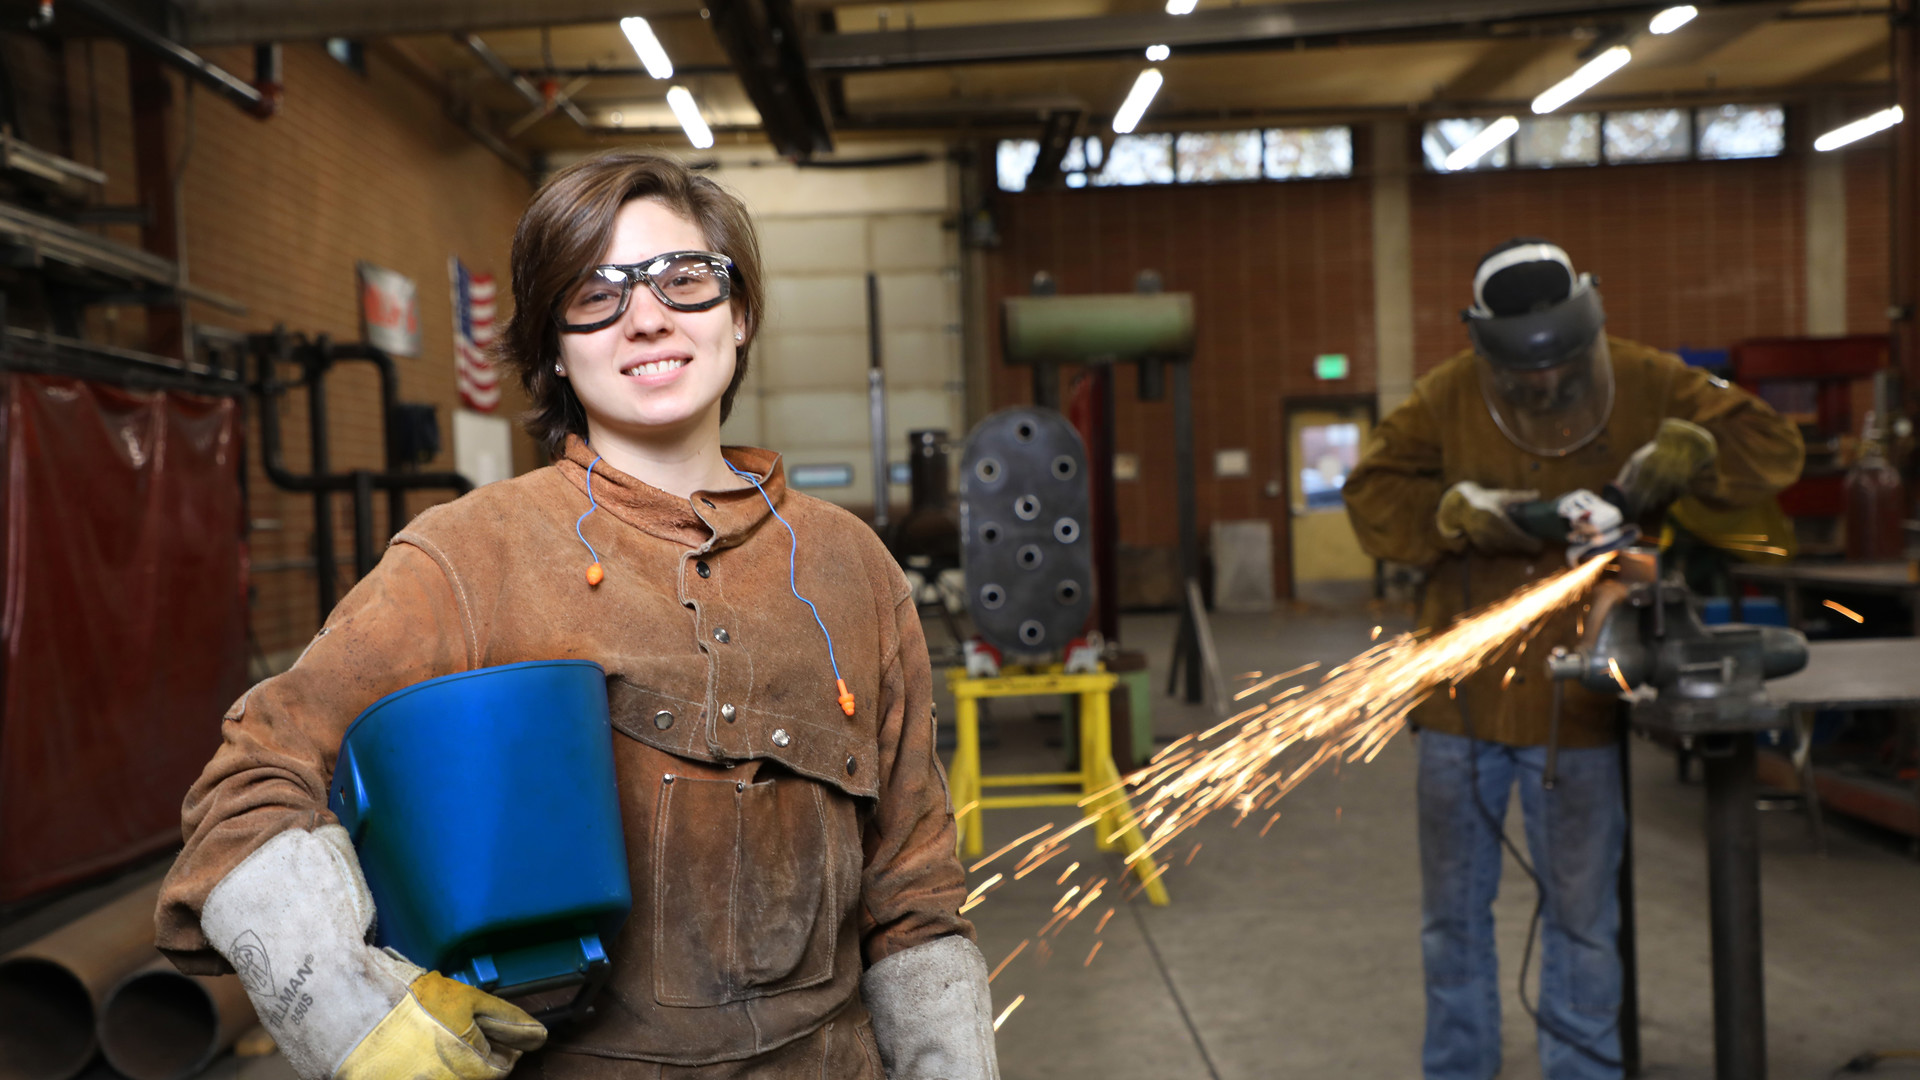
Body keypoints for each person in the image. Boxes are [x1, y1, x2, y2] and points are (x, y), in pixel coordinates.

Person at [154, 149, 1001, 1080]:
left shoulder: (851, 567)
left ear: (740, 312)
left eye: (685, 279)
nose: (647, 316)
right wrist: (354, 1020)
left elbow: (915, 892)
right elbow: (246, 789)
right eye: (597, 294)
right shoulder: (470, 557)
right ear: (554, 347)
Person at [1343, 239, 1802, 1080]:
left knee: (1584, 923)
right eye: (1525, 375)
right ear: (1486, 347)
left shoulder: (1647, 376)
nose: (1548, 384)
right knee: (1452, 921)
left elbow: (1773, 445)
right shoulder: (1446, 394)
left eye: (1562, 368)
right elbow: (1371, 494)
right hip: (1462, 701)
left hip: (1584, 699)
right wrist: (1456, 511)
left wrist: (1688, 453)